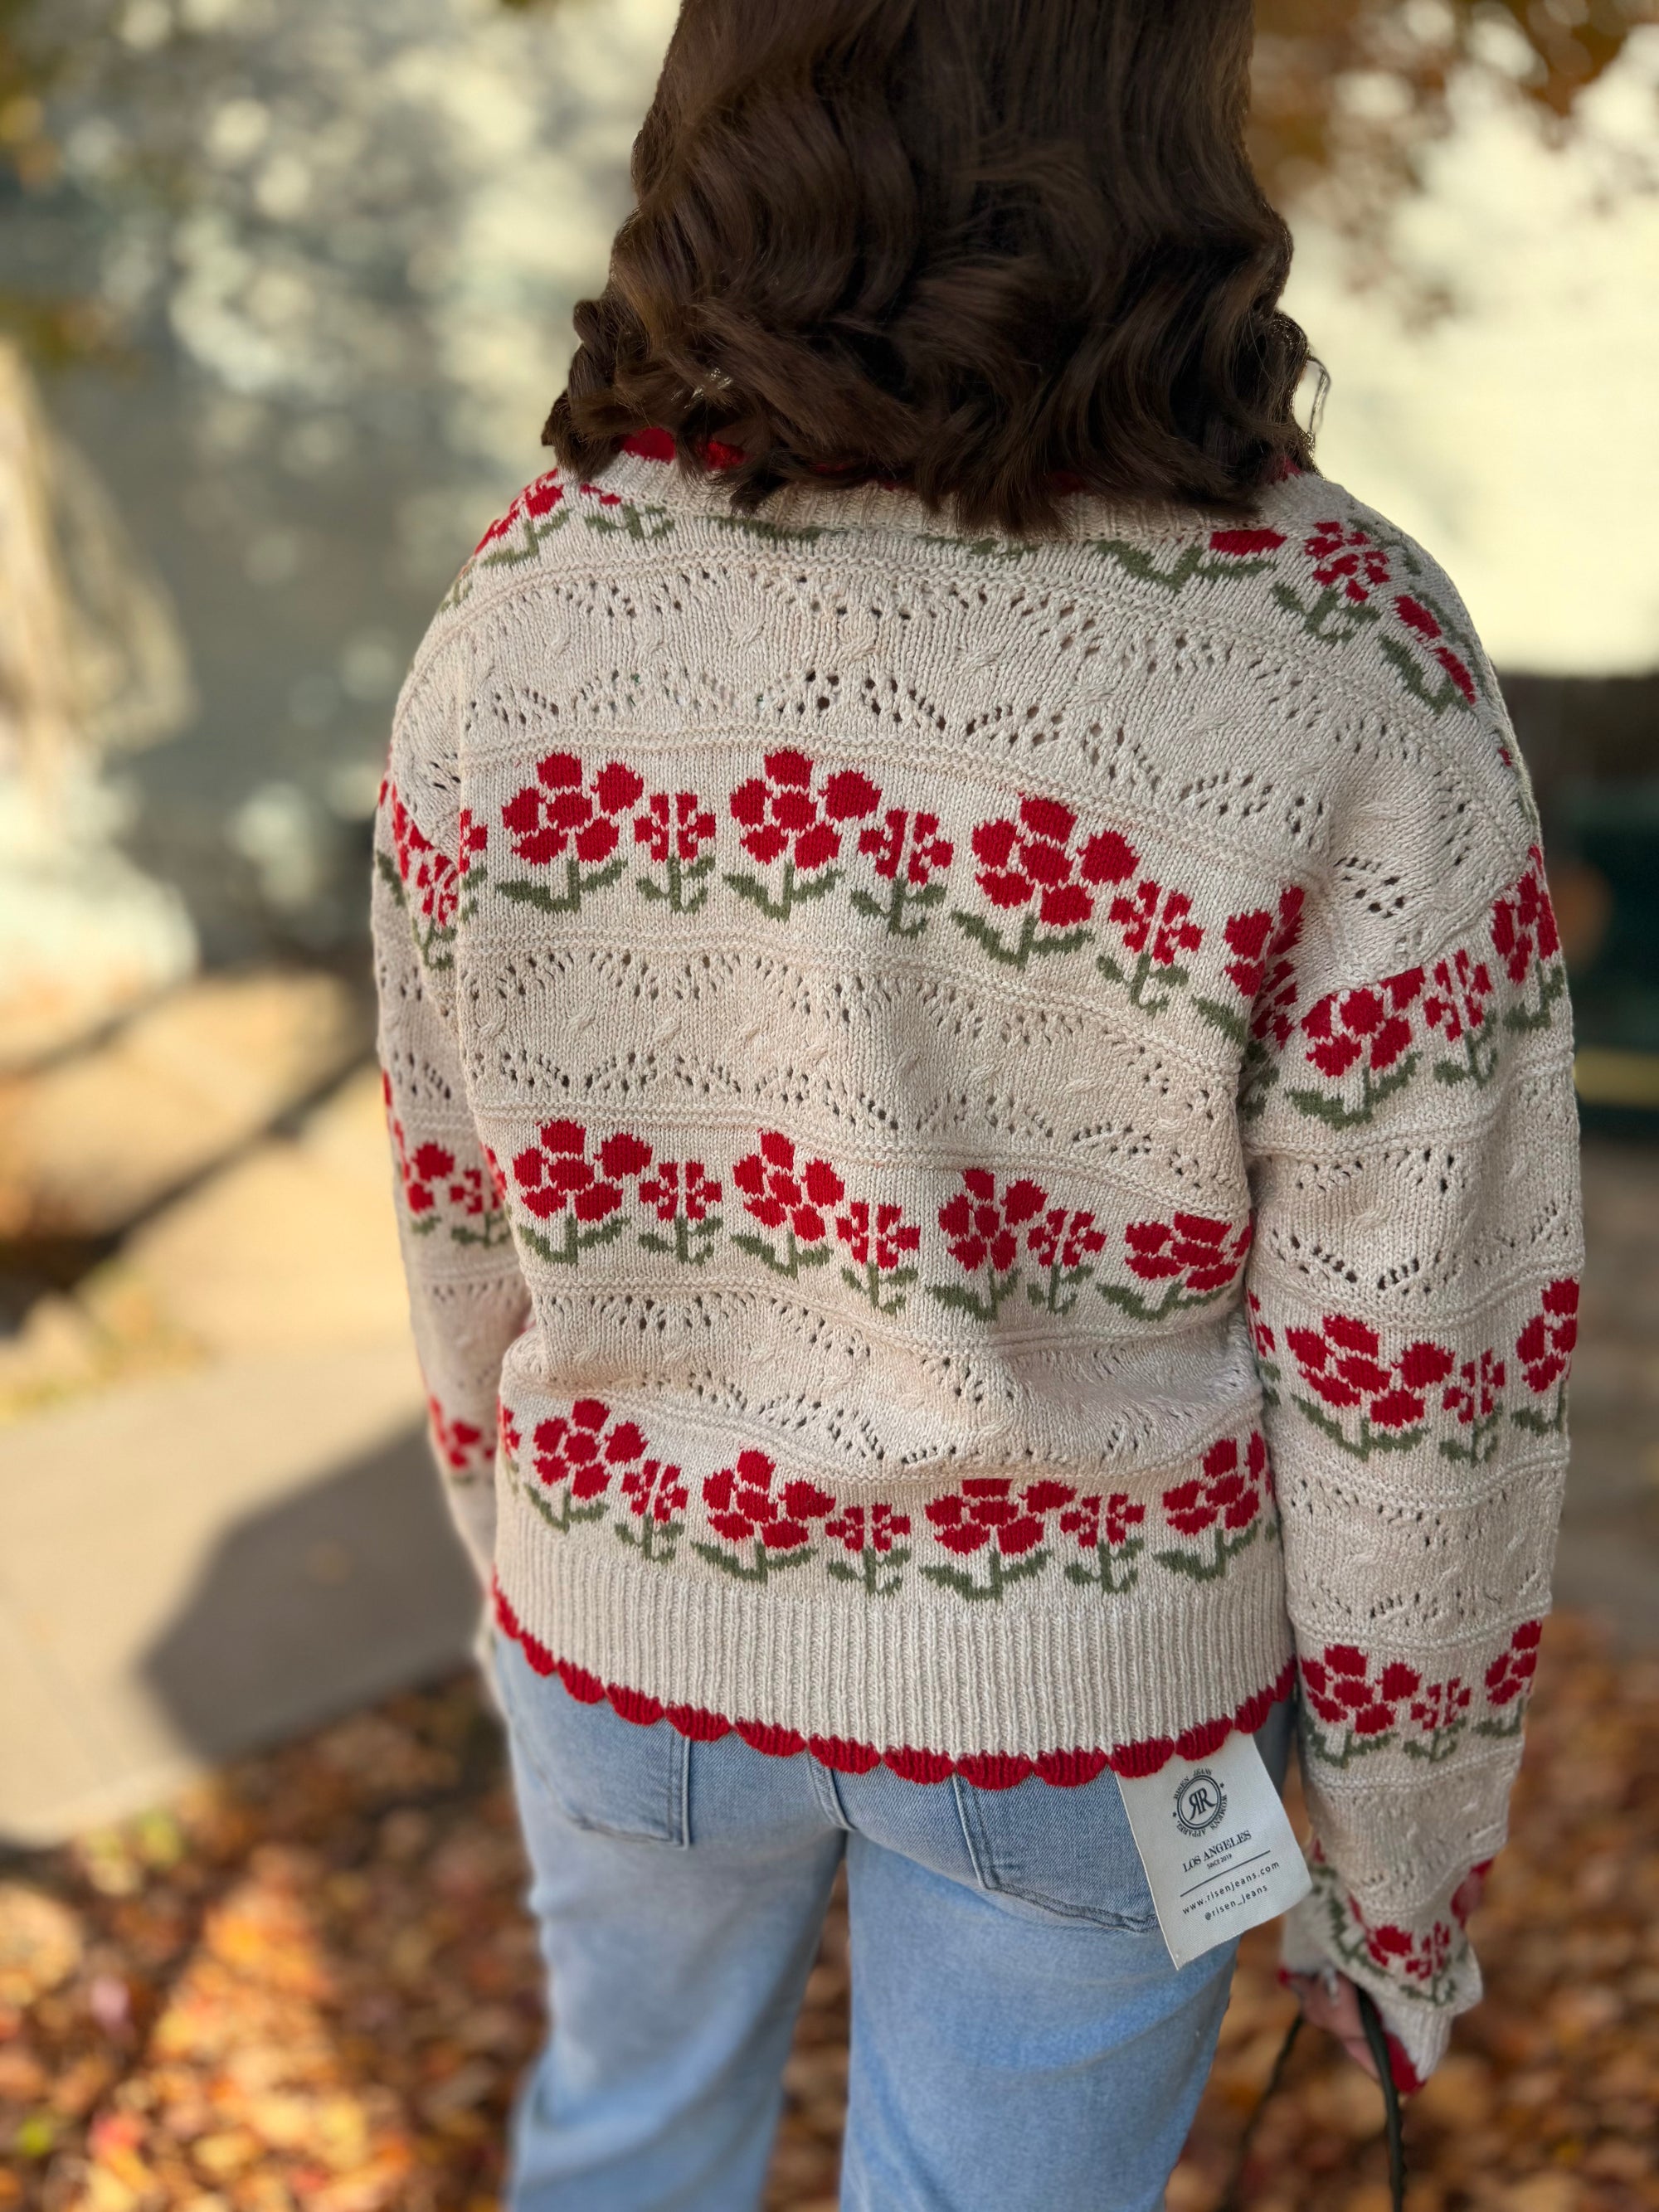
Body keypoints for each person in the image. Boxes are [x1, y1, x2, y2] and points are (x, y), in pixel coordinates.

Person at [371, 2, 1581, 2205]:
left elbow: (460, 1204)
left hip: (624, 1621)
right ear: (1160, 109)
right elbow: (1427, 1355)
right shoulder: (1338, 650)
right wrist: (1403, 1866)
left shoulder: (527, 604)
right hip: (1091, 1706)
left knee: (623, 2148)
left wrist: (528, 1564)